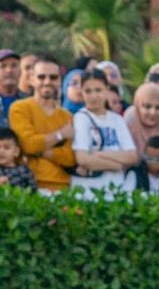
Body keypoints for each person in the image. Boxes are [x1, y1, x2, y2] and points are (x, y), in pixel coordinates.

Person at [8, 59, 76, 193]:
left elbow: (70, 158)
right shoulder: (19, 108)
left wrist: (40, 151)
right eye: (41, 77)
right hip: (29, 185)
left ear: (60, 81)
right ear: (31, 79)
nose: (47, 81)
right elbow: (27, 144)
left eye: (53, 77)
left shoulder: (67, 116)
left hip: (62, 186)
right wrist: (60, 134)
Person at [70, 70, 136, 199]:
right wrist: (116, 165)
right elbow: (83, 159)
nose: (93, 96)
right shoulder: (81, 118)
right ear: (81, 92)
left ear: (107, 89)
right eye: (88, 91)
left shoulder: (117, 119)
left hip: (116, 190)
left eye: (98, 90)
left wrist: (99, 155)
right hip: (88, 192)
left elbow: (132, 156)